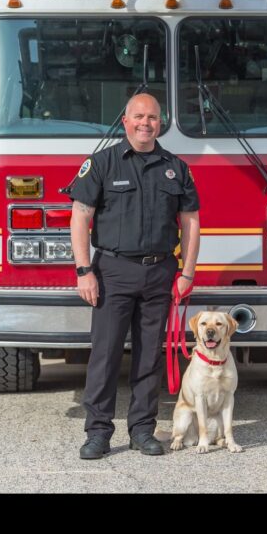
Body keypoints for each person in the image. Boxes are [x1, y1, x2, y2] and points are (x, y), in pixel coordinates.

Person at [68, 93, 200, 459]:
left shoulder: (176, 167)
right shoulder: (102, 163)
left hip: (160, 272)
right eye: (139, 116)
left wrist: (187, 271)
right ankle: (98, 433)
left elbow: (190, 222)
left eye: (153, 117)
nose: (146, 123)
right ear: (124, 121)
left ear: (162, 122)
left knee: (149, 358)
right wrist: (84, 271)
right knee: (105, 355)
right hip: (112, 272)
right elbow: (80, 216)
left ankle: (143, 430)